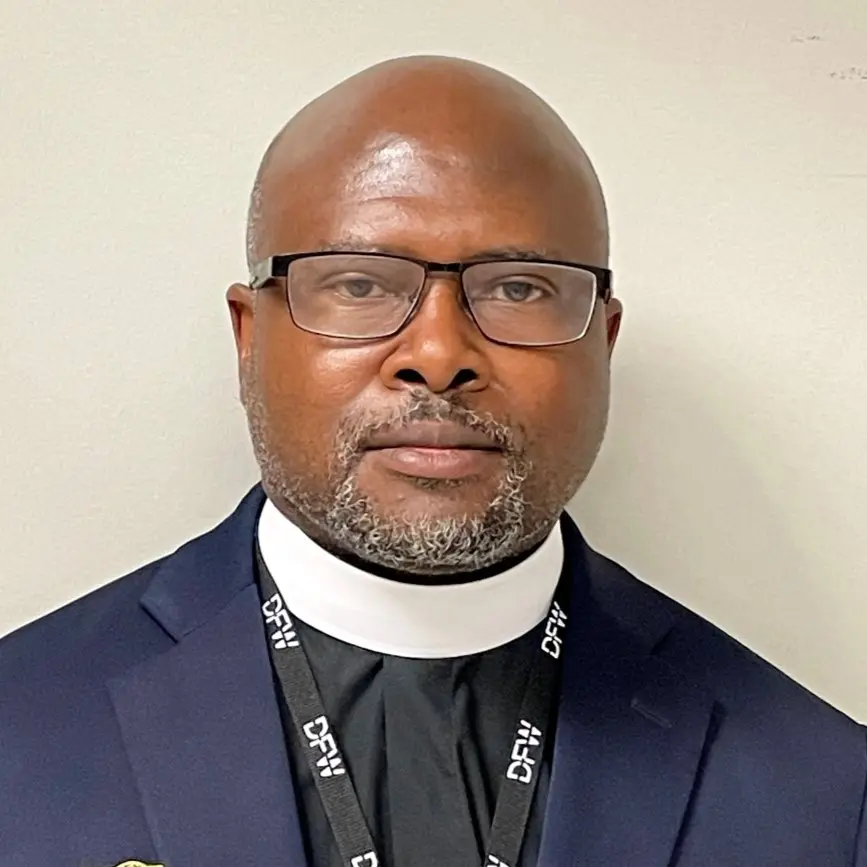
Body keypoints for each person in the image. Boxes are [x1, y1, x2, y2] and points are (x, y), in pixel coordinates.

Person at [1, 55, 865, 867]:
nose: (439, 351)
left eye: (519, 289)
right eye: (361, 282)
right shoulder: (20, 725)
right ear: (248, 336)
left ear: (602, 344)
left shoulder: (822, 791)